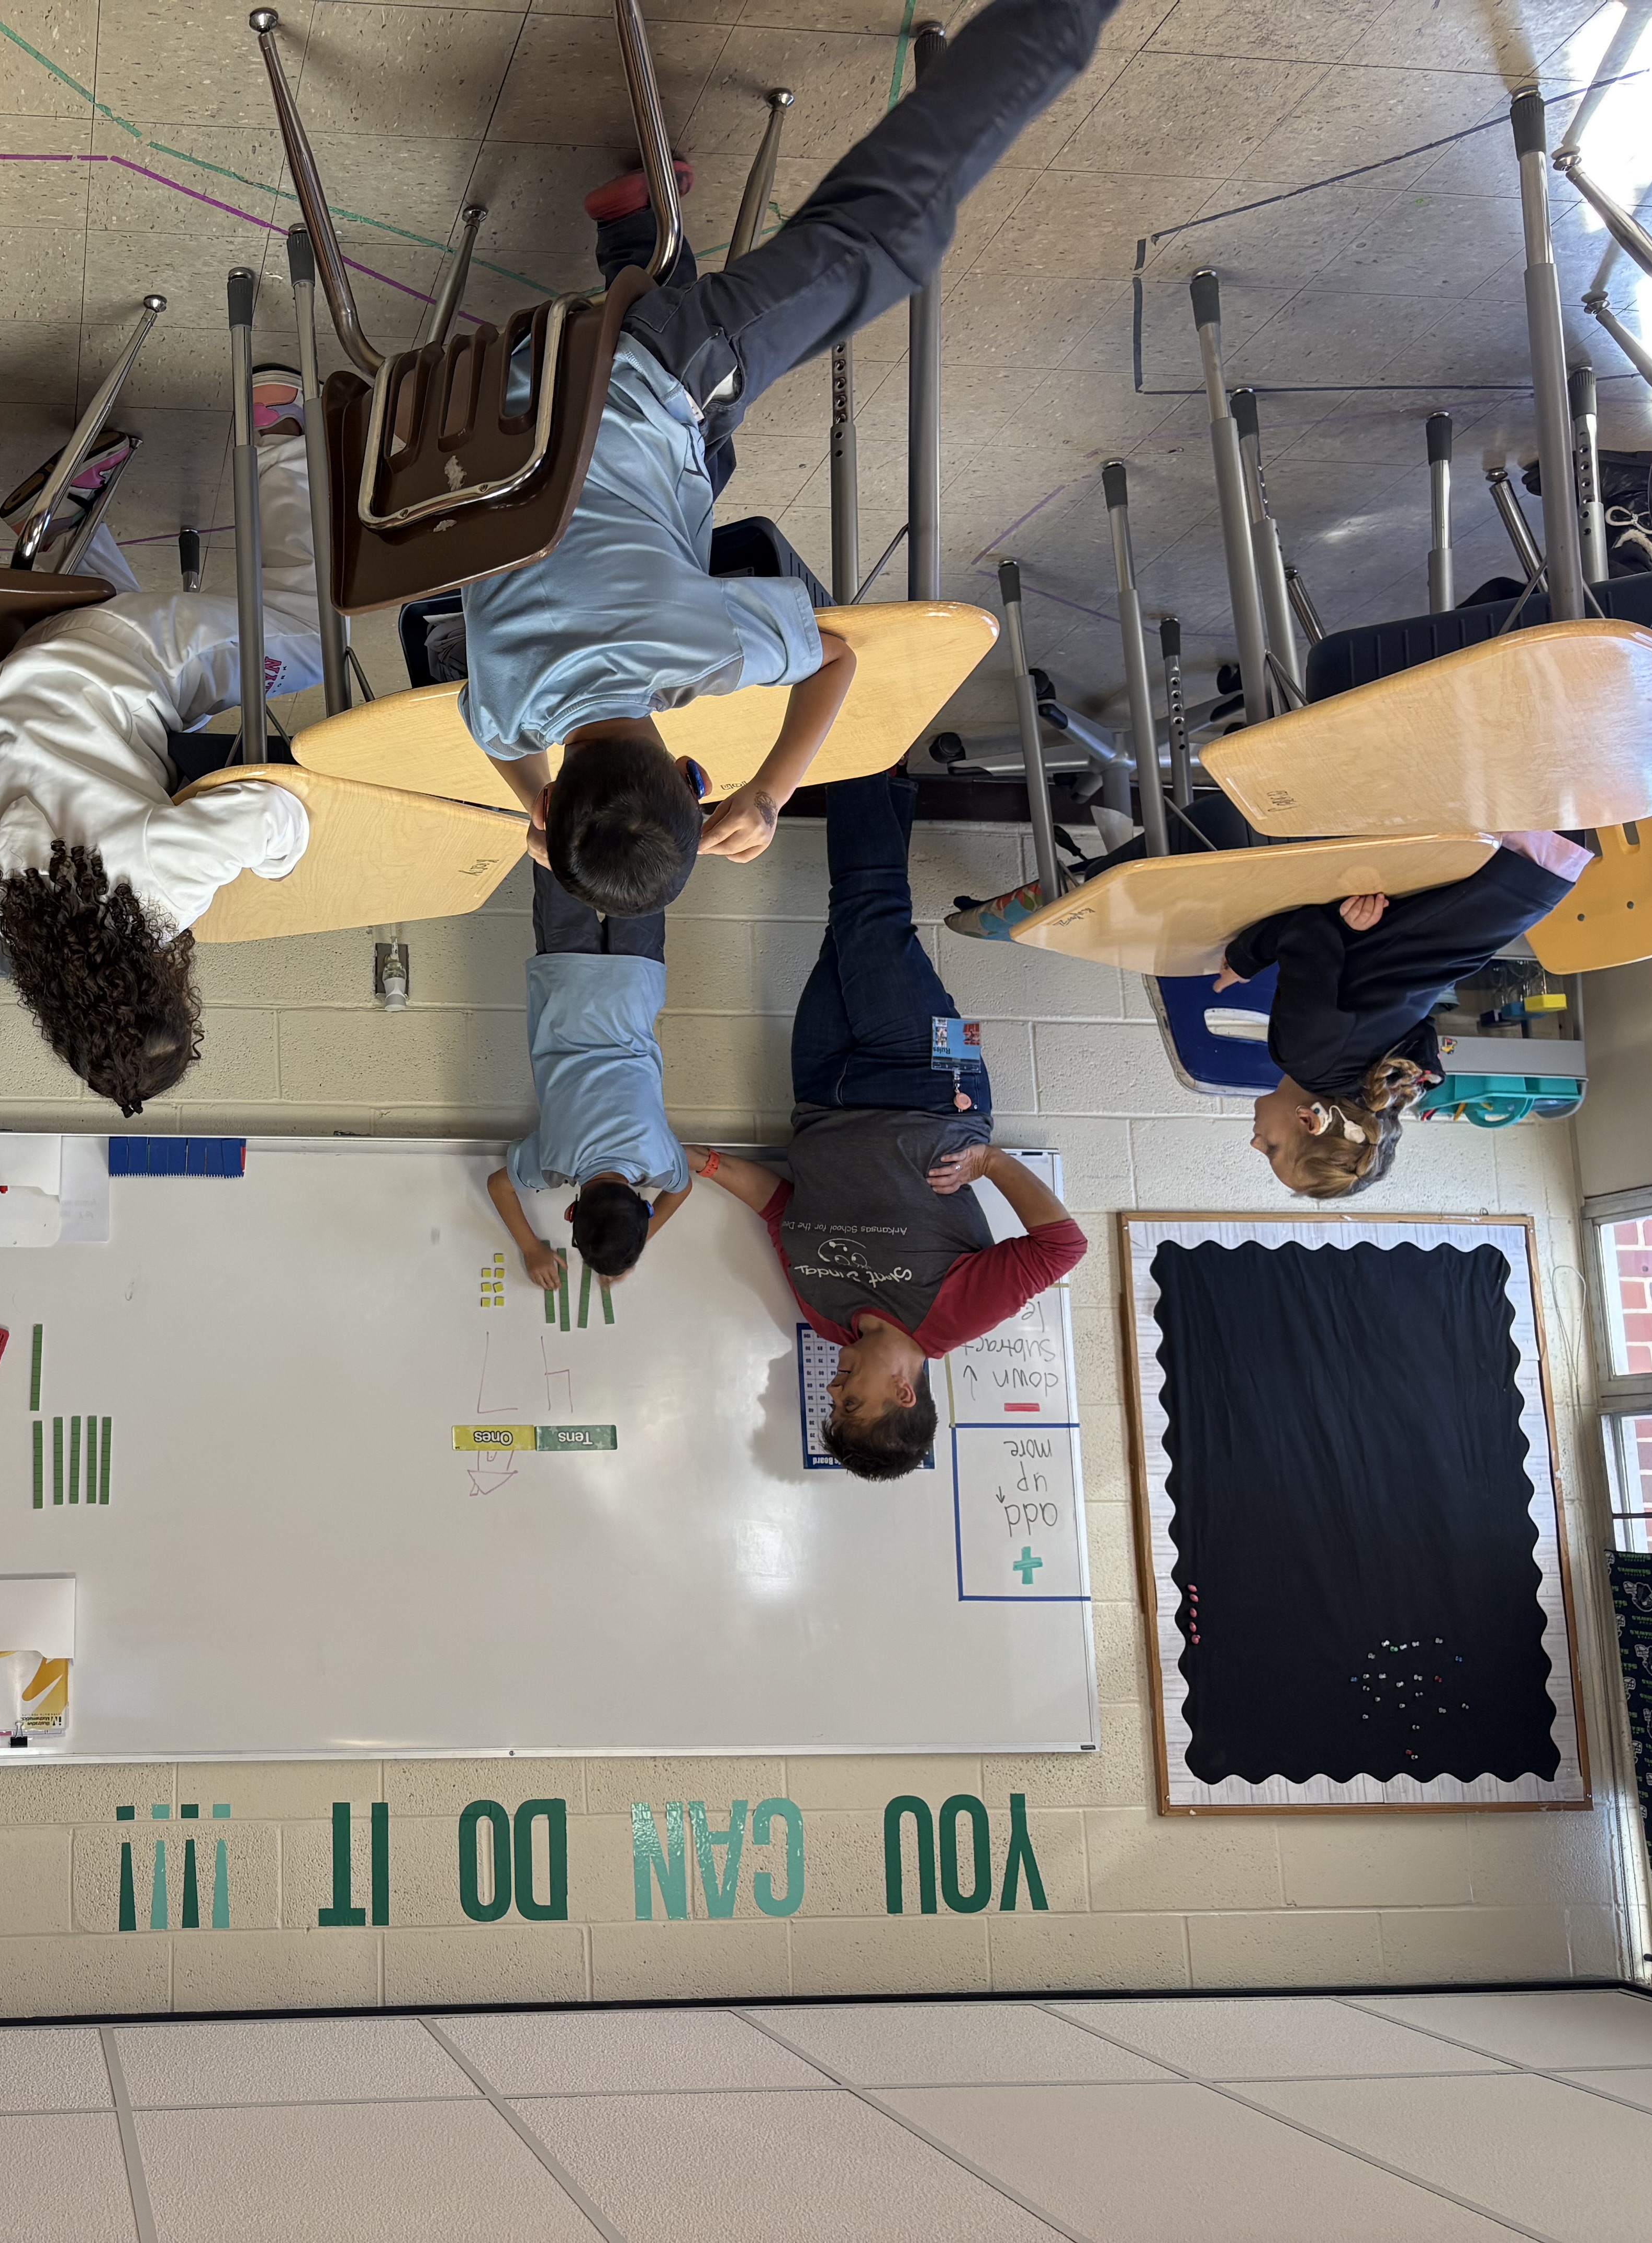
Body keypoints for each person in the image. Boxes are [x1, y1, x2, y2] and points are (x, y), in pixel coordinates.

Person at [461, 0, 1116, 914]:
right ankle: (632, 234)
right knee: (700, 474)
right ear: (548, 804)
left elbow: (834, 659)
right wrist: (535, 801)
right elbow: (498, 739)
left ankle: (1056, 22)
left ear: (691, 775)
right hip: (496, 407)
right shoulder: (504, 711)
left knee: (888, 246)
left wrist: (769, 792)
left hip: (645, 367)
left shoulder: (695, 655)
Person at [0, 374, 323, 1115]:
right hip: (12, 679)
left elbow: (272, 812)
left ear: (170, 993)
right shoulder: (15, 909)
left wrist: (283, 865)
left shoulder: (161, 899)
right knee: (145, 712)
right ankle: (71, 516)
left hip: (112, 658)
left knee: (308, 636)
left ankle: (276, 432)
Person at [689, 770, 1088, 1480]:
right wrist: (990, 1163)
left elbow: (783, 1207)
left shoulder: (823, 1316)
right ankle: (858, 742)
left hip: (821, 1090)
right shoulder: (956, 1317)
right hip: (936, 1088)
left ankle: (880, 769)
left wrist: (702, 1164)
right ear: (903, 1394)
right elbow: (1061, 1248)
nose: (835, 1389)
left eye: (831, 1405)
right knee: (870, 912)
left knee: (855, 922)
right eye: (853, 1405)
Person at [952, 814, 1595, 1197]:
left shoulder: (1372, 1075)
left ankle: (1080, 881)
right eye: (1274, 1150)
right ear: (1309, 1122)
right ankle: (1072, 887)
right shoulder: (1308, 1054)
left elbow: (1403, 1004)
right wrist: (1248, 956)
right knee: (1223, 846)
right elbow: (1306, 930)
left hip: (1544, 874)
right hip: (1509, 848)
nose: (1256, 1141)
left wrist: (1351, 934)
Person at [487, 865, 693, 1293]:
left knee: (641, 857)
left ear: (643, 1207)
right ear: (571, 1213)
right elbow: (498, 1186)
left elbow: (681, 1189)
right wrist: (530, 1248)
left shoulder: (660, 1162)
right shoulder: (552, 1162)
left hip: (635, 979)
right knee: (560, 851)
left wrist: (639, 1237)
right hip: (566, 976)